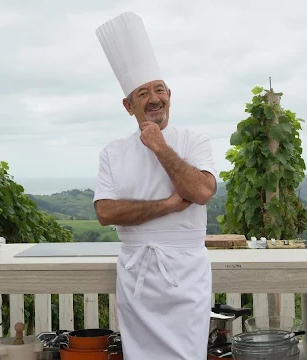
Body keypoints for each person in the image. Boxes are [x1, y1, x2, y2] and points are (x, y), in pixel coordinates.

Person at [93, 12, 218, 360]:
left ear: (170, 95)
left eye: (159, 89)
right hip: (137, 276)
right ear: (128, 105)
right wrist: (165, 206)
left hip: (186, 275)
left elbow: (203, 192)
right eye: (143, 93)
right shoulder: (112, 152)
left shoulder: (194, 141)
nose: (154, 99)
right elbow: (105, 212)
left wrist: (160, 146)